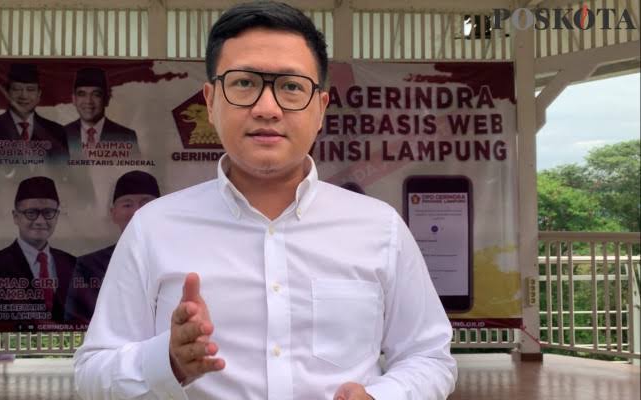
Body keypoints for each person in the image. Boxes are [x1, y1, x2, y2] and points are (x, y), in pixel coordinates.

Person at [74, 2, 457, 399]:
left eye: (291, 87)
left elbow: (427, 356)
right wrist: (166, 361)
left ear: (321, 108)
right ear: (210, 101)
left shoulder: (380, 227)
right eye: (244, 83)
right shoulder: (153, 228)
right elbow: (92, 372)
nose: (267, 109)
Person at [0, 176, 76, 331]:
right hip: (12, 342)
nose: (40, 221)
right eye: (31, 213)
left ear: (57, 216)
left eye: (48, 212)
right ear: (16, 217)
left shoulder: (72, 264)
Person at [64, 170, 160, 324]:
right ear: (113, 213)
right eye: (127, 205)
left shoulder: (177, 260)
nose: (136, 212)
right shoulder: (89, 266)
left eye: (146, 203)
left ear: (161, 210)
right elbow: (78, 321)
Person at [0, 63, 69, 160]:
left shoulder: (57, 132)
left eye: (30, 89)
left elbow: (63, 168)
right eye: (17, 89)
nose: (24, 96)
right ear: (7, 92)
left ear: (39, 94)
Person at [64, 67, 139, 158]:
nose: (88, 101)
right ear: (74, 99)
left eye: (96, 94)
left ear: (107, 99)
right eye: (82, 94)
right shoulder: (60, 135)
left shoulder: (126, 137)